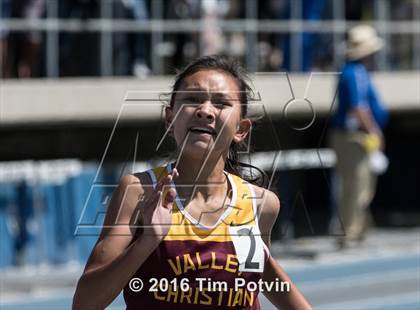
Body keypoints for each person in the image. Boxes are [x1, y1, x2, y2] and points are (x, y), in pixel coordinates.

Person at [73, 55, 312, 309]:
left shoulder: (261, 204)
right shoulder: (139, 192)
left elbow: (262, 276)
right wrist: (146, 243)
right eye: (193, 99)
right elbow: (85, 303)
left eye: (220, 103)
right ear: (170, 118)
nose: (205, 111)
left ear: (241, 130)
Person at [330, 25, 389, 249]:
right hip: (353, 137)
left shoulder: (355, 72)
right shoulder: (355, 73)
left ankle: (358, 228)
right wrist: (374, 131)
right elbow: (359, 108)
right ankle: (350, 232)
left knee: (361, 185)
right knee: (355, 185)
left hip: (354, 136)